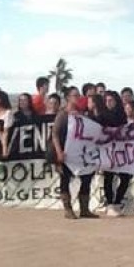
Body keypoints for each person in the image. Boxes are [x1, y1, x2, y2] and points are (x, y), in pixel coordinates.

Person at [51, 87, 97, 219]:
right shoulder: (62, 114)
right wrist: (59, 152)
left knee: (87, 178)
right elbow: (55, 134)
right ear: (68, 98)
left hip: (80, 154)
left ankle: (84, 209)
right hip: (65, 153)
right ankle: (68, 209)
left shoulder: (81, 114)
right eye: (75, 95)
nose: (78, 97)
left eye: (78, 95)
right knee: (65, 179)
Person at [96, 91, 130, 217]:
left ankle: (117, 202)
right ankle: (110, 204)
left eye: (111, 100)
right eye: (106, 101)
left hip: (120, 150)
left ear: (116, 101)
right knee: (108, 178)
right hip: (107, 150)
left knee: (125, 178)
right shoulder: (102, 116)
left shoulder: (122, 115)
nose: (108, 103)